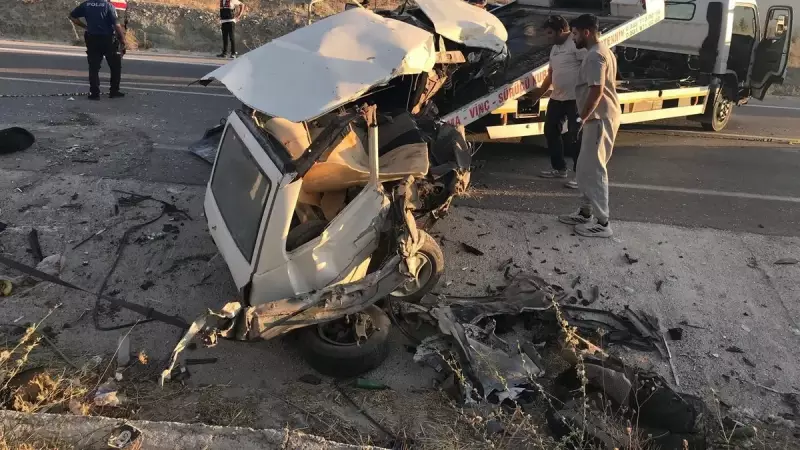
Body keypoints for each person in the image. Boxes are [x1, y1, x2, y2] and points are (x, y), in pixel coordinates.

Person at [557, 14, 621, 238]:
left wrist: (579, 118)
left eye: (574, 34)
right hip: (595, 118)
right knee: (584, 169)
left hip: (600, 118)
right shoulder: (599, 51)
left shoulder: (595, 56)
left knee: (594, 170)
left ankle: (603, 223)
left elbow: (597, 90)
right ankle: (585, 213)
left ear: (586, 32)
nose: (572, 38)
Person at [531, 15, 586, 189]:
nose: (548, 37)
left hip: (574, 99)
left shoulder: (575, 43)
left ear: (561, 31)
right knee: (550, 131)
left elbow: (588, 66)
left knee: (575, 138)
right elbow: (551, 73)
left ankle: (581, 176)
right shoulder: (554, 48)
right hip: (557, 97)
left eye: (550, 33)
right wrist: (538, 95)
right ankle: (559, 168)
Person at [69, 0, 127, 100]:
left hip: (92, 39)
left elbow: (72, 16)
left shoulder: (86, 4)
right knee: (115, 66)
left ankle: (94, 93)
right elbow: (116, 24)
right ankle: (114, 91)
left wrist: (85, 26)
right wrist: (122, 40)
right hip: (108, 40)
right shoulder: (108, 6)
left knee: (94, 67)